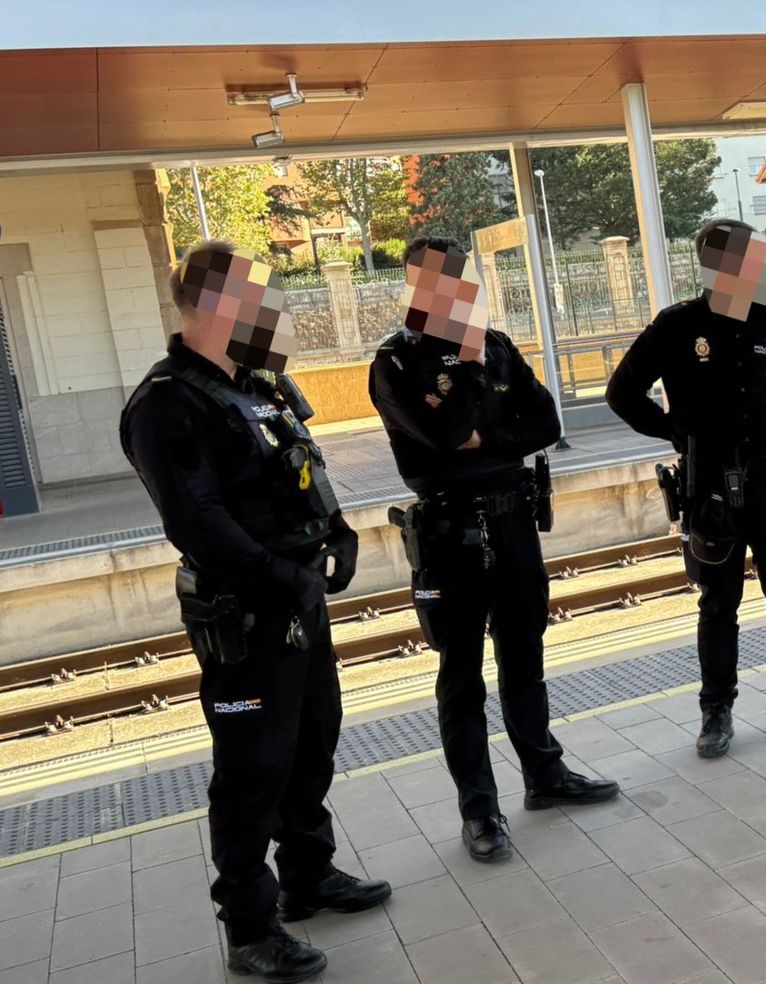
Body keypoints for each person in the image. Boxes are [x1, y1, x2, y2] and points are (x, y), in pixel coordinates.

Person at [120, 241, 390, 984]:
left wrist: (336, 531)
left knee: (313, 739)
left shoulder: (260, 385)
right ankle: (249, 926)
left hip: (298, 599)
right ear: (211, 305)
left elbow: (306, 466)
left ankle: (310, 874)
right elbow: (195, 518)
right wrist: (279, 574)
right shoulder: (168, 401)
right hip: (246, 613)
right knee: (252, 767)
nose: (271, 310)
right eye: (256, 296)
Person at [369, 238, 618, 863]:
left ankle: (544, 774)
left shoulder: (500, 345)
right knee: (461, 676)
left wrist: (487, 434)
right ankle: (479, 809)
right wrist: (475, 388)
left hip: (512, 525)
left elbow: (548, 425)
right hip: (451, 535)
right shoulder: (397, 363)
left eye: (461, 278)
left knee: (524, 655)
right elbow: (445, 435)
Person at [607, 219, 766, 758]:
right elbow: (622, 392)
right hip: (710, 485)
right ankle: (716, 712)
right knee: (719, 603)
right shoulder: (676, 325)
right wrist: (675, 430)